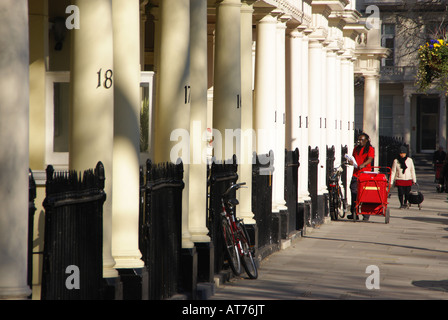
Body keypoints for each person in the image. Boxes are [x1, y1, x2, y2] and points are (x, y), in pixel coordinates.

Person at [347, 132, 375, 220]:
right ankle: (354, 212)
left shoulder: (370, 149)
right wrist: (351, 162)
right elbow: (353, 158)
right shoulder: (356, 149)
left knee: (365, 194)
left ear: (366, 140)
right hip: (356, 174)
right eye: (359, 139)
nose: (360, 141)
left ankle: (366, 214)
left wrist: (363, 164)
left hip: (365, 174)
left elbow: (370, 159)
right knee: (354, 193)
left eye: (362, 140)